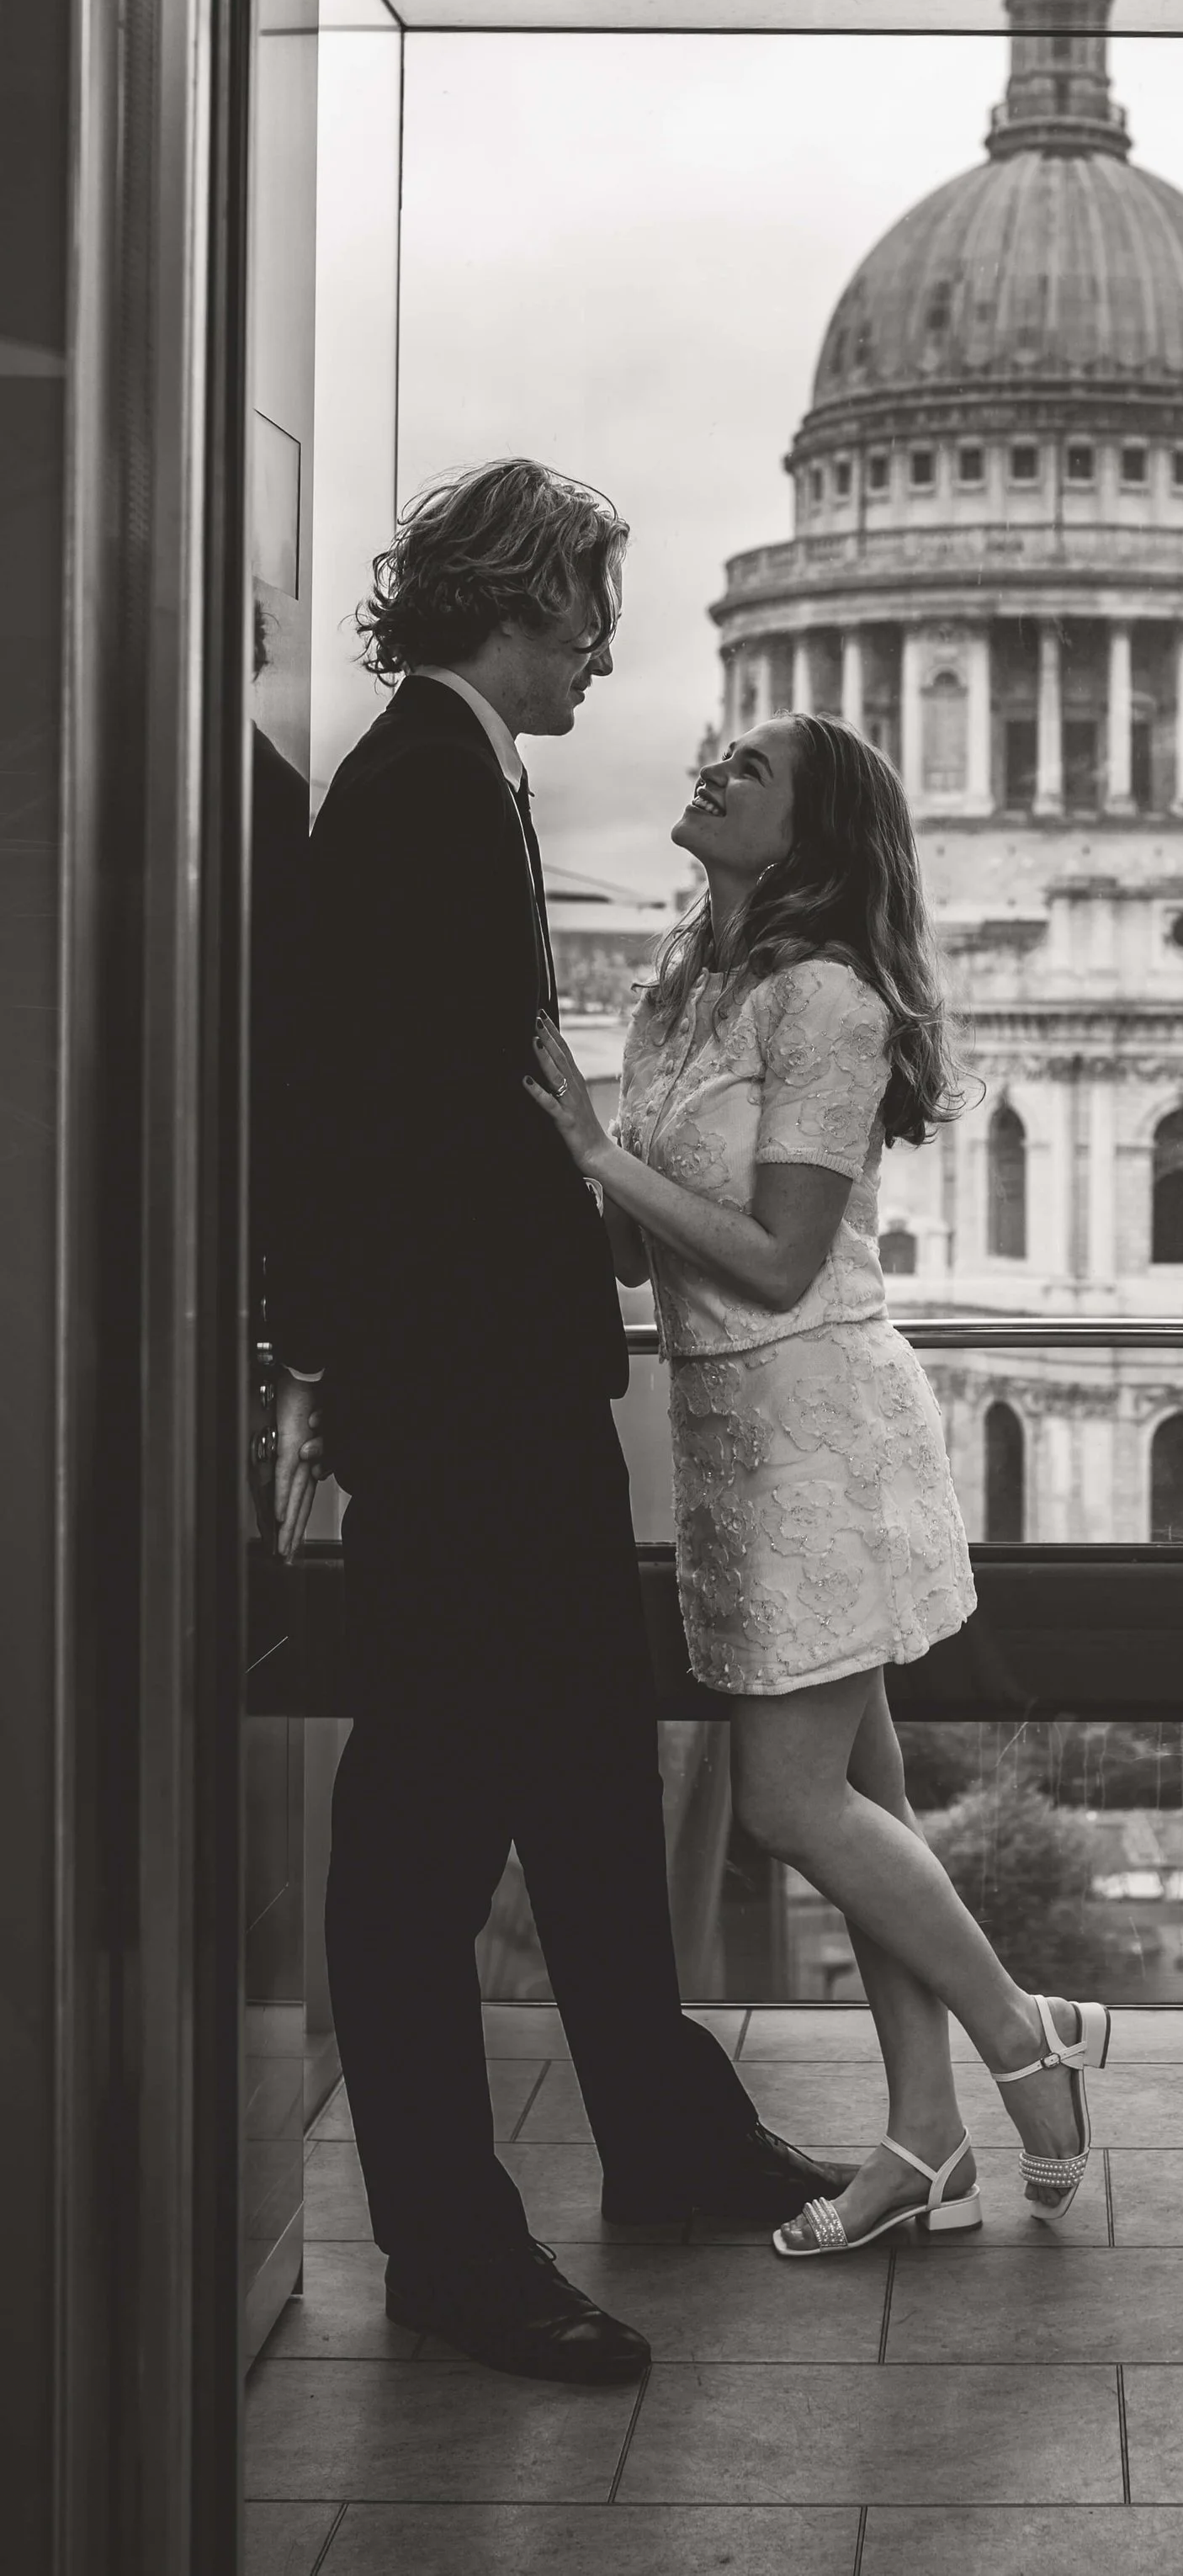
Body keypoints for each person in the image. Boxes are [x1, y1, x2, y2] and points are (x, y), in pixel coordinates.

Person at [269, 459, 851, 2382]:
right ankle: (448, 2244)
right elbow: (401, 1138)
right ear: (517, 605)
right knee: (428, 1824)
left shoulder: (455, 781)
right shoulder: (423, 793)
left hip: (505, 1386)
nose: (610, 653)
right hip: (466, 1404)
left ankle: (668, 2132)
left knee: (592, 1777)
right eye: (591, 611)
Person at [525, 709, 1111, 2259]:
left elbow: (782, 1259)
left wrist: (593, 1151)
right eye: (711, 754)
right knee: (872, 1808)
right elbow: (650, 1228)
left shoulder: (834, 1002)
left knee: (793, 1802)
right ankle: (924, 2137)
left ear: (811, 832)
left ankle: (1023, 2033)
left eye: (750, 771)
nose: (707, 771)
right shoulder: (684, 987)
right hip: (734, 1427)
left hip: (819, 1426)